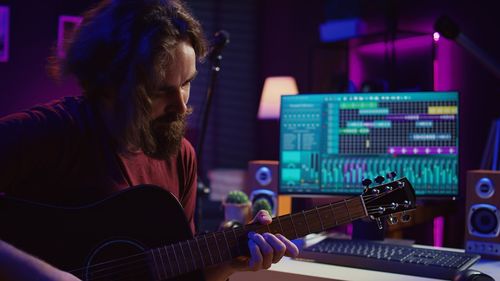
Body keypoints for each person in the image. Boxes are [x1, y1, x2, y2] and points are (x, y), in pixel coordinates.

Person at [0, 0, 299, 280]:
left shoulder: (181, 157)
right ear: (110, 84)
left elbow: (182, 273)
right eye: (160, 90)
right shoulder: (51, 133)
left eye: (187, 83)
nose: (181, 105)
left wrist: (229, 263)